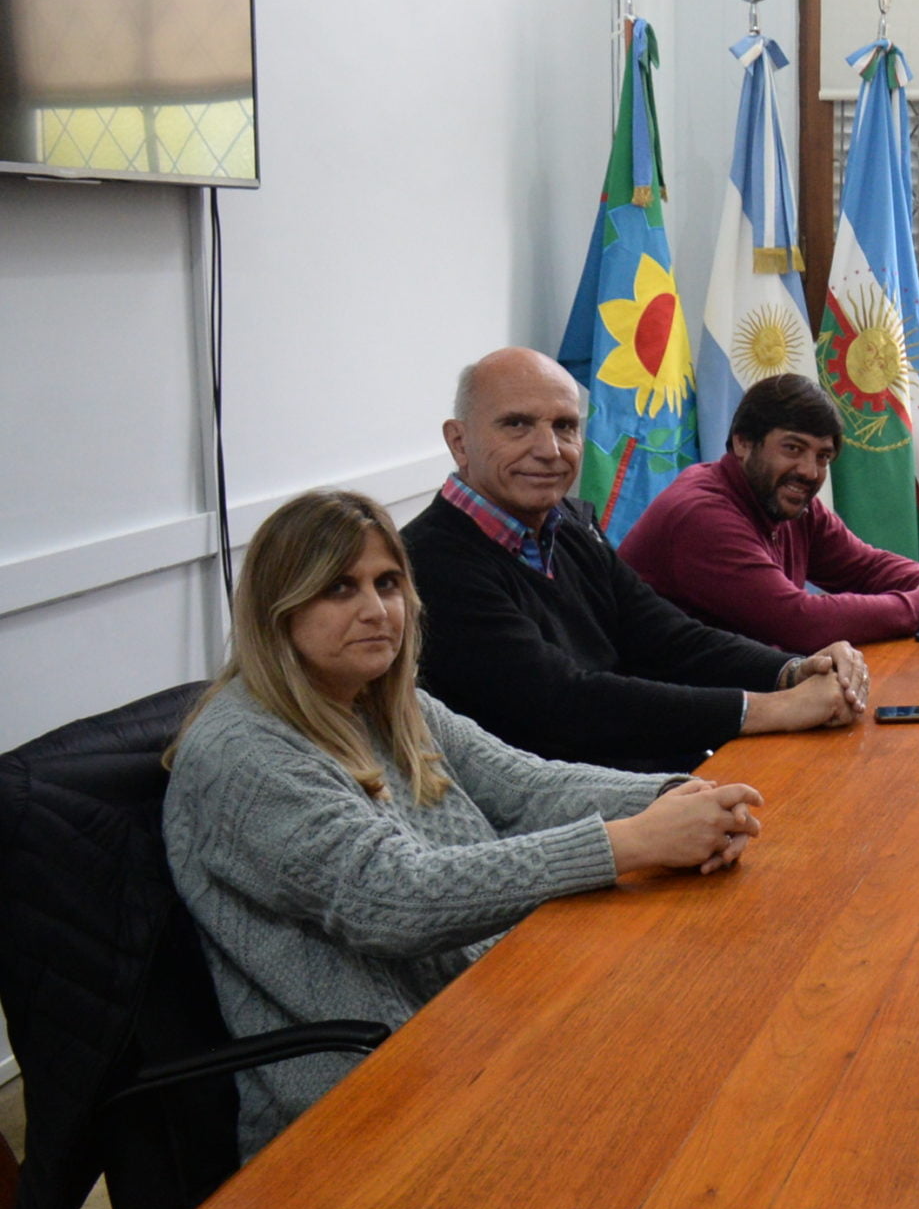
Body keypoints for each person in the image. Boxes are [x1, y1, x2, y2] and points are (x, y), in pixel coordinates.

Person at [164, 489, 768, 1155]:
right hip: (366, 1102)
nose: (376, 610)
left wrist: (679, 796)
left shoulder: (380, 699)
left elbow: (525, 786)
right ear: (277, 610)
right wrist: (629, 840)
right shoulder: (242, 752)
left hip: (480, 1011)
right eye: (340, 588)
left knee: (716, 1042)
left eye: (388, 583)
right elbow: (393, 896)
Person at [404, 347, 866, 774]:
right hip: (556, 816)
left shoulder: (566, 523)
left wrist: (792, 671)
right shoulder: (428, 563)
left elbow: (666, 637)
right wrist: (772, 708)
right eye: (517, 425)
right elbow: (564, 705)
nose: (549, 450)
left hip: (635, 774)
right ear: (459, 442)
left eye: (565, 426)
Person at [622, 373, 919, 652]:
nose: (810, 472)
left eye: (823, 456)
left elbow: (863, 567)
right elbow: (798, 622)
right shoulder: (702, 515)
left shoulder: (787, 499)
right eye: (793, 448)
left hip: (735, 690)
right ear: (743, 442)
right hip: (665, 721)